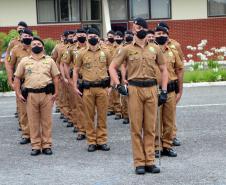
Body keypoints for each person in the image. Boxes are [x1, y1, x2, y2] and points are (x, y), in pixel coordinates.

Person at [109, 17, 168, 175]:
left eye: (141, 27)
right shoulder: (127, 49)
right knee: (136, 128)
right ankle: (139, 162)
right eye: (135, 27)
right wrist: (118, 85)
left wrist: (164, 90)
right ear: (133, 30)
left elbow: (164, 69)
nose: (138, 30)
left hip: (151, 89)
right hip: (134, 89)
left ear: (145, 29)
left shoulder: (155, 49)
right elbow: (112, 67)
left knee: (150, 127)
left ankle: (150, 161)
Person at [14, 37, 60, 156]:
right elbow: (17, 78)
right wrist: (18, 93)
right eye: (34, 44)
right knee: (33, 122)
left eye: (38, 43)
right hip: (31, 95)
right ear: (30, 47)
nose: (36, 45)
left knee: (46, 121)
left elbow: (55, 77)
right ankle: (35, 145)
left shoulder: (49, 61)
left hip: (46, 95)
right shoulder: (24, 61)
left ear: (43, 47)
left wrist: (56, 92)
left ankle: (46, 145)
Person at [73, 28, 111, 152]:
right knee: (89, 116)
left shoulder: (106, 52)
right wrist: (74, 85)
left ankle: (102, 140)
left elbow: (111, 69)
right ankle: (91, 141)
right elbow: (76, 69)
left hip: (102, 88)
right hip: (88, 89)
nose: (92, 38)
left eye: (95, 35)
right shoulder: (82, 53)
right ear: (88, 37)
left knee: (102, 116)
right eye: (90, 36)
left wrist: (111, 86)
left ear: (99, 37)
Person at [154, 26, 184, 158]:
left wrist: (180, 90)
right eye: (157, 34)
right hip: (155, 90)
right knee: (155, 120)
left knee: (169, 120)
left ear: (167, 35)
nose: (160, 36)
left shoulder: (173, 51)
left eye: (162, 33)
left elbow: (179, 70)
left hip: (171, 90)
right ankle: (156, 146)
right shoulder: (150, 51)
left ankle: (167, 145)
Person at [7, 29, 33, 144]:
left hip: (35, 83)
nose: (26, 37)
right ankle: (26, 134)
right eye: (24, 35)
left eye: (28, 35)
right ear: (21, 37)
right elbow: (9, 65)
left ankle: (36, 133)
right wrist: (11, 80)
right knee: (23, 110)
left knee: (35, 109)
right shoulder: (15, 50)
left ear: (32, 37)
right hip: (21, 83)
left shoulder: (36, 48)